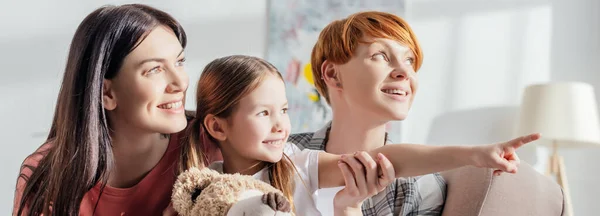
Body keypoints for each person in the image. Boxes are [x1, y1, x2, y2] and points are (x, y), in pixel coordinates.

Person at [189, 55, 540, 215]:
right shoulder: (202, 188)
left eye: (283, 110)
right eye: (264, 113)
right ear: (218, 126)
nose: (281, 125)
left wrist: (473, 154)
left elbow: (391, 160)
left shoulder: (299, 164)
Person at [12, 4, 209, 215]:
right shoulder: (48, 177)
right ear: (106, 93)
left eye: (179, 62)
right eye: (154, 69)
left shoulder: (212, 142)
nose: (180, 82)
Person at [288, 11, 491, 215]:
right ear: (333, 74)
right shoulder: (276, 157)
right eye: (381, 56)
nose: (404, 72)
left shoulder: (420, 188)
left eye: (409, 60)